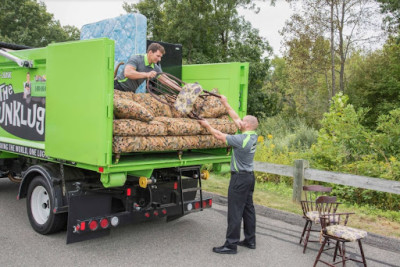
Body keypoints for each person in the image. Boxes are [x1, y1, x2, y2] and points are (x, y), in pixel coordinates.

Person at [198, 95, 259, 255]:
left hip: (239, 179)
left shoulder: (240, 139)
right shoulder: (252, 135)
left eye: (243, 121)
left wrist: (207, 125)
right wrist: (225, 101)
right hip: (249, 177)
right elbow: (235, 116)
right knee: (248, 209)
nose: (240, 121)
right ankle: (250, 240)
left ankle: (230, 245)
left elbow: (218, 135)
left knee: (235, 211)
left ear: (246, 125)